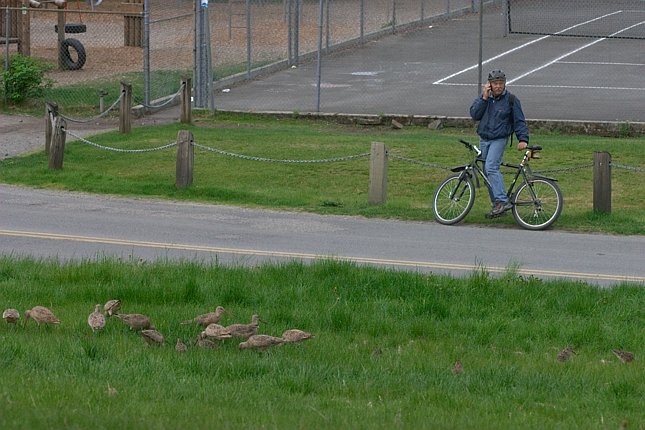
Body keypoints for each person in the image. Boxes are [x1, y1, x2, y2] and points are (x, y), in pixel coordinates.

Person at [469, 69, 529, 217]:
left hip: (499, 139)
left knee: (491, 167)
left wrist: (523, 139)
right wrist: (483, 97)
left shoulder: (511, 100)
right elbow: (474, 114)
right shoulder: (485, 99)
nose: (498, 86)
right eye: (495, 83)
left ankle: (502, 201)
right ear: (489, 84)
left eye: (501, 83)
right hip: (484, 139)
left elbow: (519, 121)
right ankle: (497, 205)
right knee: (486, 174)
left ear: (505, 84)